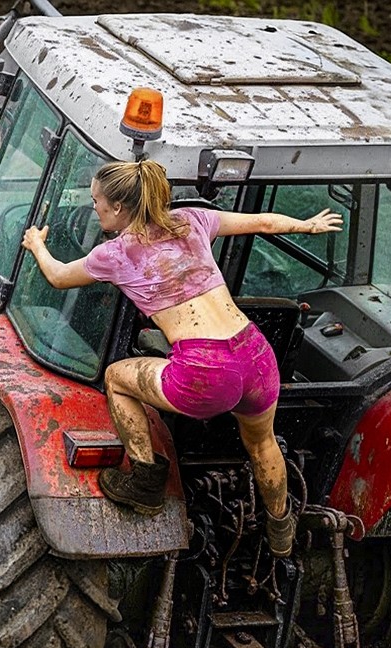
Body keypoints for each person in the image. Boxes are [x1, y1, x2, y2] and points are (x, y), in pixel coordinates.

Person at [21, 160, 342, 556]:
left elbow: (57, 276)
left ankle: (145, 483)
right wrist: (307, 225)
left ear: (118, 208)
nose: (94, 208)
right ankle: (280, 529)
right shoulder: (192, 219)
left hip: (205, 371)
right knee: (262, 444)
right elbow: (262, 222)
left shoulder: (115, 254)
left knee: (117, 378)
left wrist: (37, 244)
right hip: (256, 355)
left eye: (96, 201)